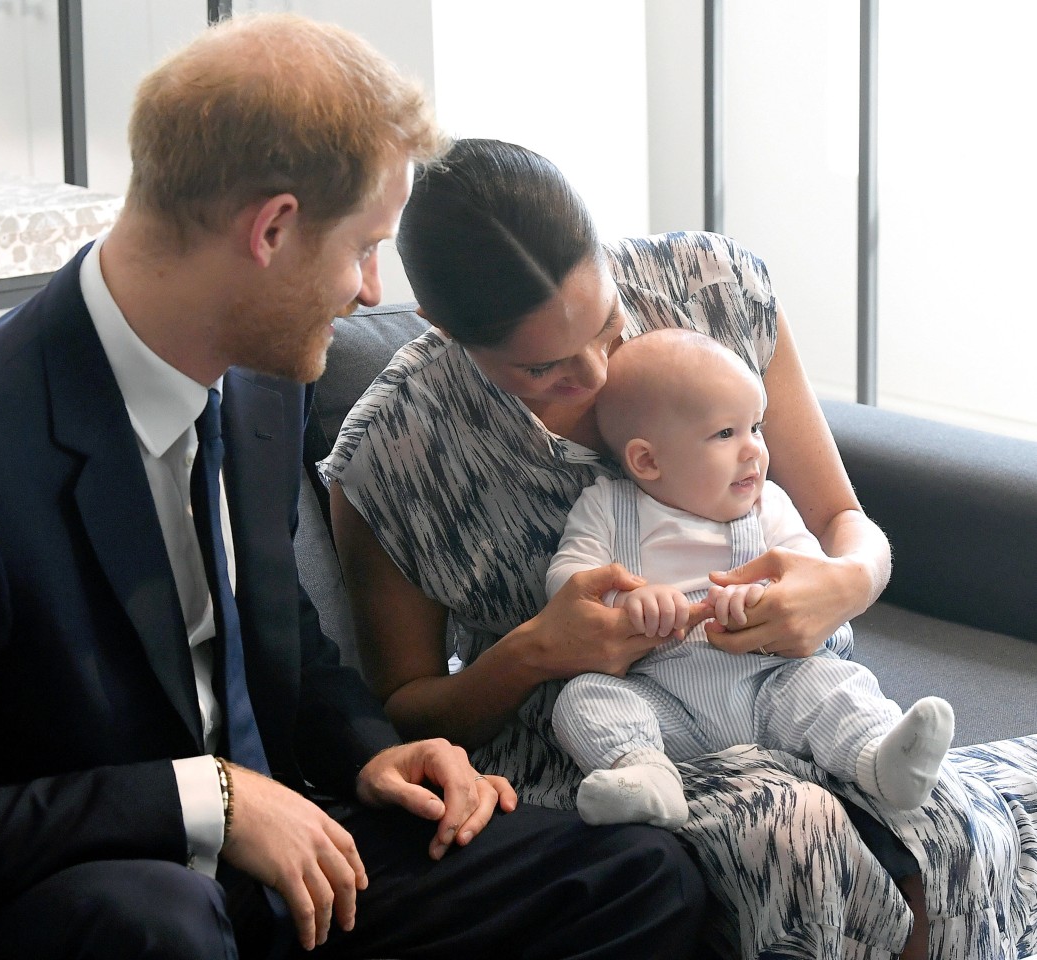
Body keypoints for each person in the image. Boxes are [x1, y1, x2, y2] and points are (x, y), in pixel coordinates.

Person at [0, 20, 708, 960]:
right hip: (111, 902)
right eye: (364, 246)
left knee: (637, 875)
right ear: (271, 228)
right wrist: (210, 798)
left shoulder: (263, 387)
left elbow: (276, 635)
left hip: (286, 871)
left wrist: (371, 752)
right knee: (157, 926)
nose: (369, 291)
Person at [323, 137, 1037, 959]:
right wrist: (534, 652)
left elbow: (842, 517)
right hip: (597, 740)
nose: (592, 375)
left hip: (779, 682)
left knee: (939, 812)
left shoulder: (711, 291)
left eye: (606, 326)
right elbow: (404, 710)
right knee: (794, 828)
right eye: (543, 370)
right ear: (441, 328)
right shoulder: (395, 447)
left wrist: (845, 584)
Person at [547, 327, 955, 831]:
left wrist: (766, 596)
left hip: (772, 681)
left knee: (836, 684)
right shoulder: (607, 507)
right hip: (661, 696)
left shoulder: (769, 506)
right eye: (726, 433)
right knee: (582, 698)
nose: (753, 451)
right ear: (647, 460)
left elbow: (810, 573)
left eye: (756, 428)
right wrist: (629, 597)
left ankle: (879, 760)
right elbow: (568, 581)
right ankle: (647, 776)